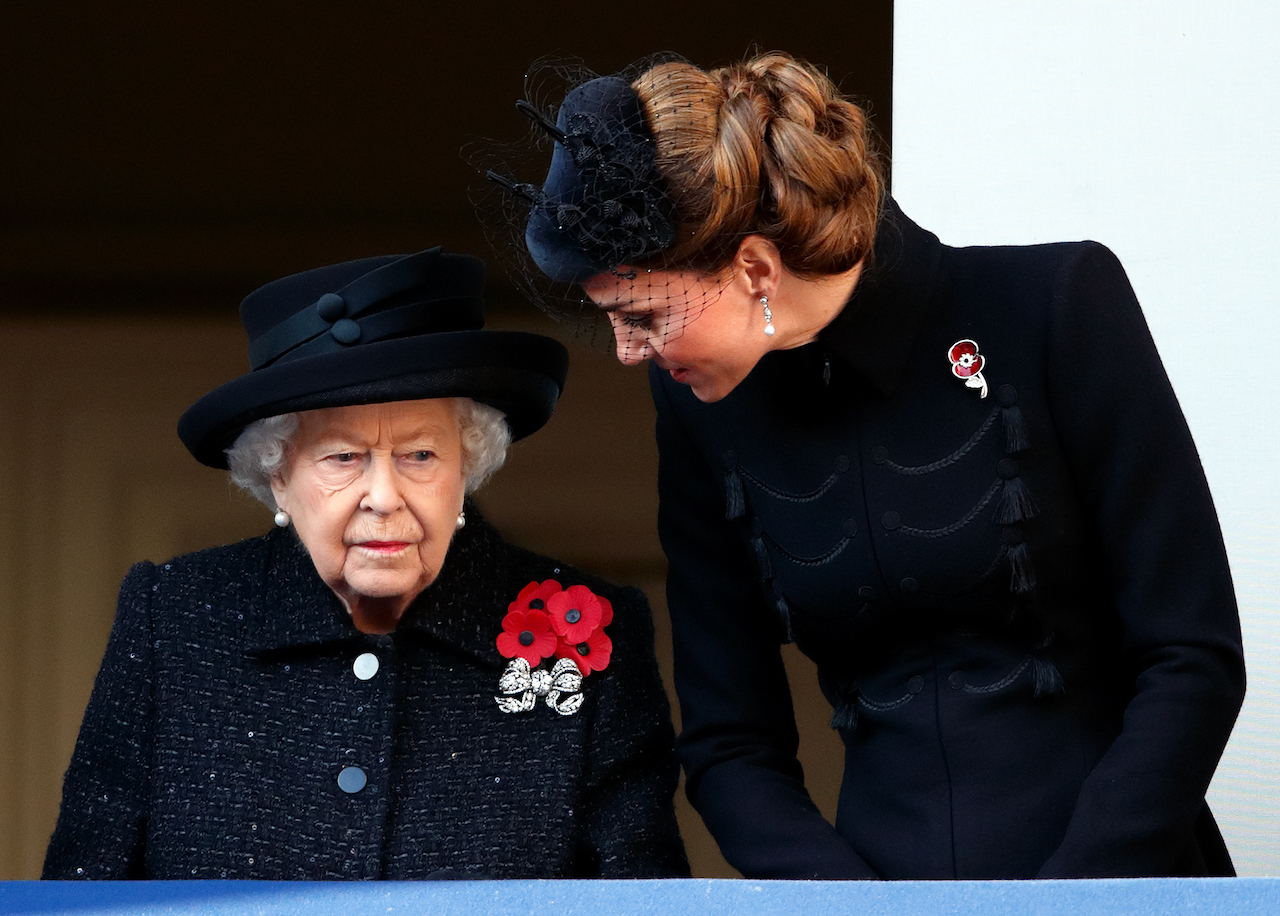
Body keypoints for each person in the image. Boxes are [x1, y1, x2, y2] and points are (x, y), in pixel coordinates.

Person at [483, 53, 1246, 879]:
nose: (628, 353)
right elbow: (730, 741)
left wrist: (1072, 904)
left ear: (752, 268)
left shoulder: (1056, 302)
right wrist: (849, 910)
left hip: (1122, 882)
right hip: (870, 892)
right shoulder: (699, 410)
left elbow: (1192, 658)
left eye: (645, 315)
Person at [42, 247, 688, 880]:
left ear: (467, 467)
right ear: (278, 478)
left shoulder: (592, 631)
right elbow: (81, 892)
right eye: (342, 457)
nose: (383, 496)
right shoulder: (175, 619)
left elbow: (646, 896)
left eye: (420, 456)